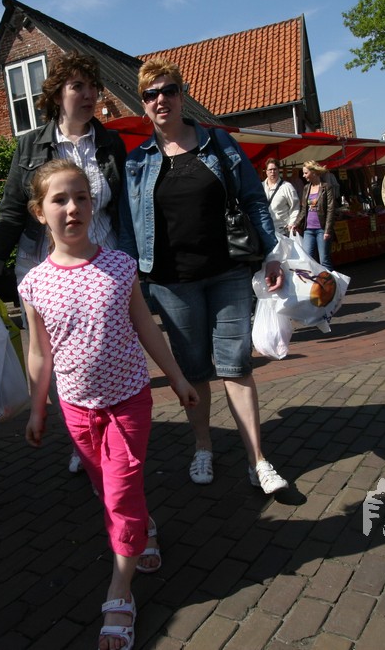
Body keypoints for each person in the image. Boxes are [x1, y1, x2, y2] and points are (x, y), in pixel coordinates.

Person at [20, 159, 198, 650]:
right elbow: (39, 352)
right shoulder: (34, 284)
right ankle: (144, 528)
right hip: (77, 408)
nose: (72, 208)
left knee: (119, 493)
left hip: (128, 401)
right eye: (59, 199)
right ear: (39, 211)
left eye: (81, 197)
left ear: (92, 204)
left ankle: (120, 592)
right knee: (109, 490)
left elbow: (146, 327)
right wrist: (37, 408)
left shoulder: (119, 266)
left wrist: (177, 377)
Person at [119, 58, 290, 494]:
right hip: (171, 283)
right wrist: (127, 280)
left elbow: (253, 198)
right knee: (194, 370)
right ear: (143, 104)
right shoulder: (135, 163)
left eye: (168, 90)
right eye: (151, 94)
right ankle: (202, 446)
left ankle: (258, 459)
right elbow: (125, 228)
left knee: (236, 365)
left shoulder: (219, 143)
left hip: (228, 273)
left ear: (182, 95)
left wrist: (272, 252)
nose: (161, 99)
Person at [0, 51, 127, 475]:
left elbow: (123, 207)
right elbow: (11, 210)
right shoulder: (29, 146)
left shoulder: (110, 143)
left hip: (101, 262)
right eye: (78, 86)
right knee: (55, 356)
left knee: (102, 349)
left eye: (93, 86)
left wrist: (133, 259)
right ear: (57, 94)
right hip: (44, 263)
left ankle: (111, 428)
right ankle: (82, 438)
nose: (89, 95)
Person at [292, 161, 337, 271]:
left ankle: (331, 281)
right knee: (308, 258)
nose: (303, 175)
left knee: (324, 260)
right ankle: (315, 281)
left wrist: (327, 230)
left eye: (305, 173)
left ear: (313, 172)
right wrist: (296, 223)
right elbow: (304, 209)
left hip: (322, 229)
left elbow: (331, 210)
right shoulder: (306, 188)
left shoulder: (326, 187)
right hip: (308, 230)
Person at [262, 157, 298, 236]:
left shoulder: (287, 187)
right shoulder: (260, 187)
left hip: (283, 231)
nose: (272, 172)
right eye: (270, 170)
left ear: (279, 170)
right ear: (266, 171)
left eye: (275, 169)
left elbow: (295, 207)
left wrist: (292, 224)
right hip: (265, 231)